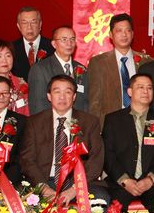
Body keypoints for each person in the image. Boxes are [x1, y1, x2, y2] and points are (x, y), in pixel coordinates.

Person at [19, 75, 109, 204]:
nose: (62, 97)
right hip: (45, 180)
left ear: (74, 96)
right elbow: (27, 160)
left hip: (78, 182)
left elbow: (96, 160)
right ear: (49, 96)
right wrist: (44, 188)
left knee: (101, 198)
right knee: (21, 198)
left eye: (67, 92)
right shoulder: (34, 122)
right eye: (57, 92)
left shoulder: (89, 122)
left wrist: (74, 189)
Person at [102, 74, 154, 213]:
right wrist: (125, 180)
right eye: (140, 87)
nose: (145, 91)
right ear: (130, 91)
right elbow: (107, 155)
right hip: (122, 181)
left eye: (149, 88)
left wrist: (151, 179)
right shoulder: (113, 120)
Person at [87, 13, 152, 123]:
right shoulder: (98, 63)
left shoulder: (146, 61)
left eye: (127, 30)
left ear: (132, 34)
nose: (124, 34)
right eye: (119, 31)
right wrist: (101, 127)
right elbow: (94, 102)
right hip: (111, 124)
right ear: (111, 35)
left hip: (141, 121)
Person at [27, 26, 89, 113]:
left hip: (79, 120)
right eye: (64, 39)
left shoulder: (81, 69)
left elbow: (86, 102)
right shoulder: (40, 69)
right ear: (54, 44)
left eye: (72, 39)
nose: (69, 43)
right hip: (51, 120)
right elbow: (37, 105)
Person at [11, 6, 53, 81]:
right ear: (19, 26)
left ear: (40, 25)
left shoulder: (53, 46)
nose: (29, 27)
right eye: (24, 23)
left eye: (33, 22)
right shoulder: (11, 48)